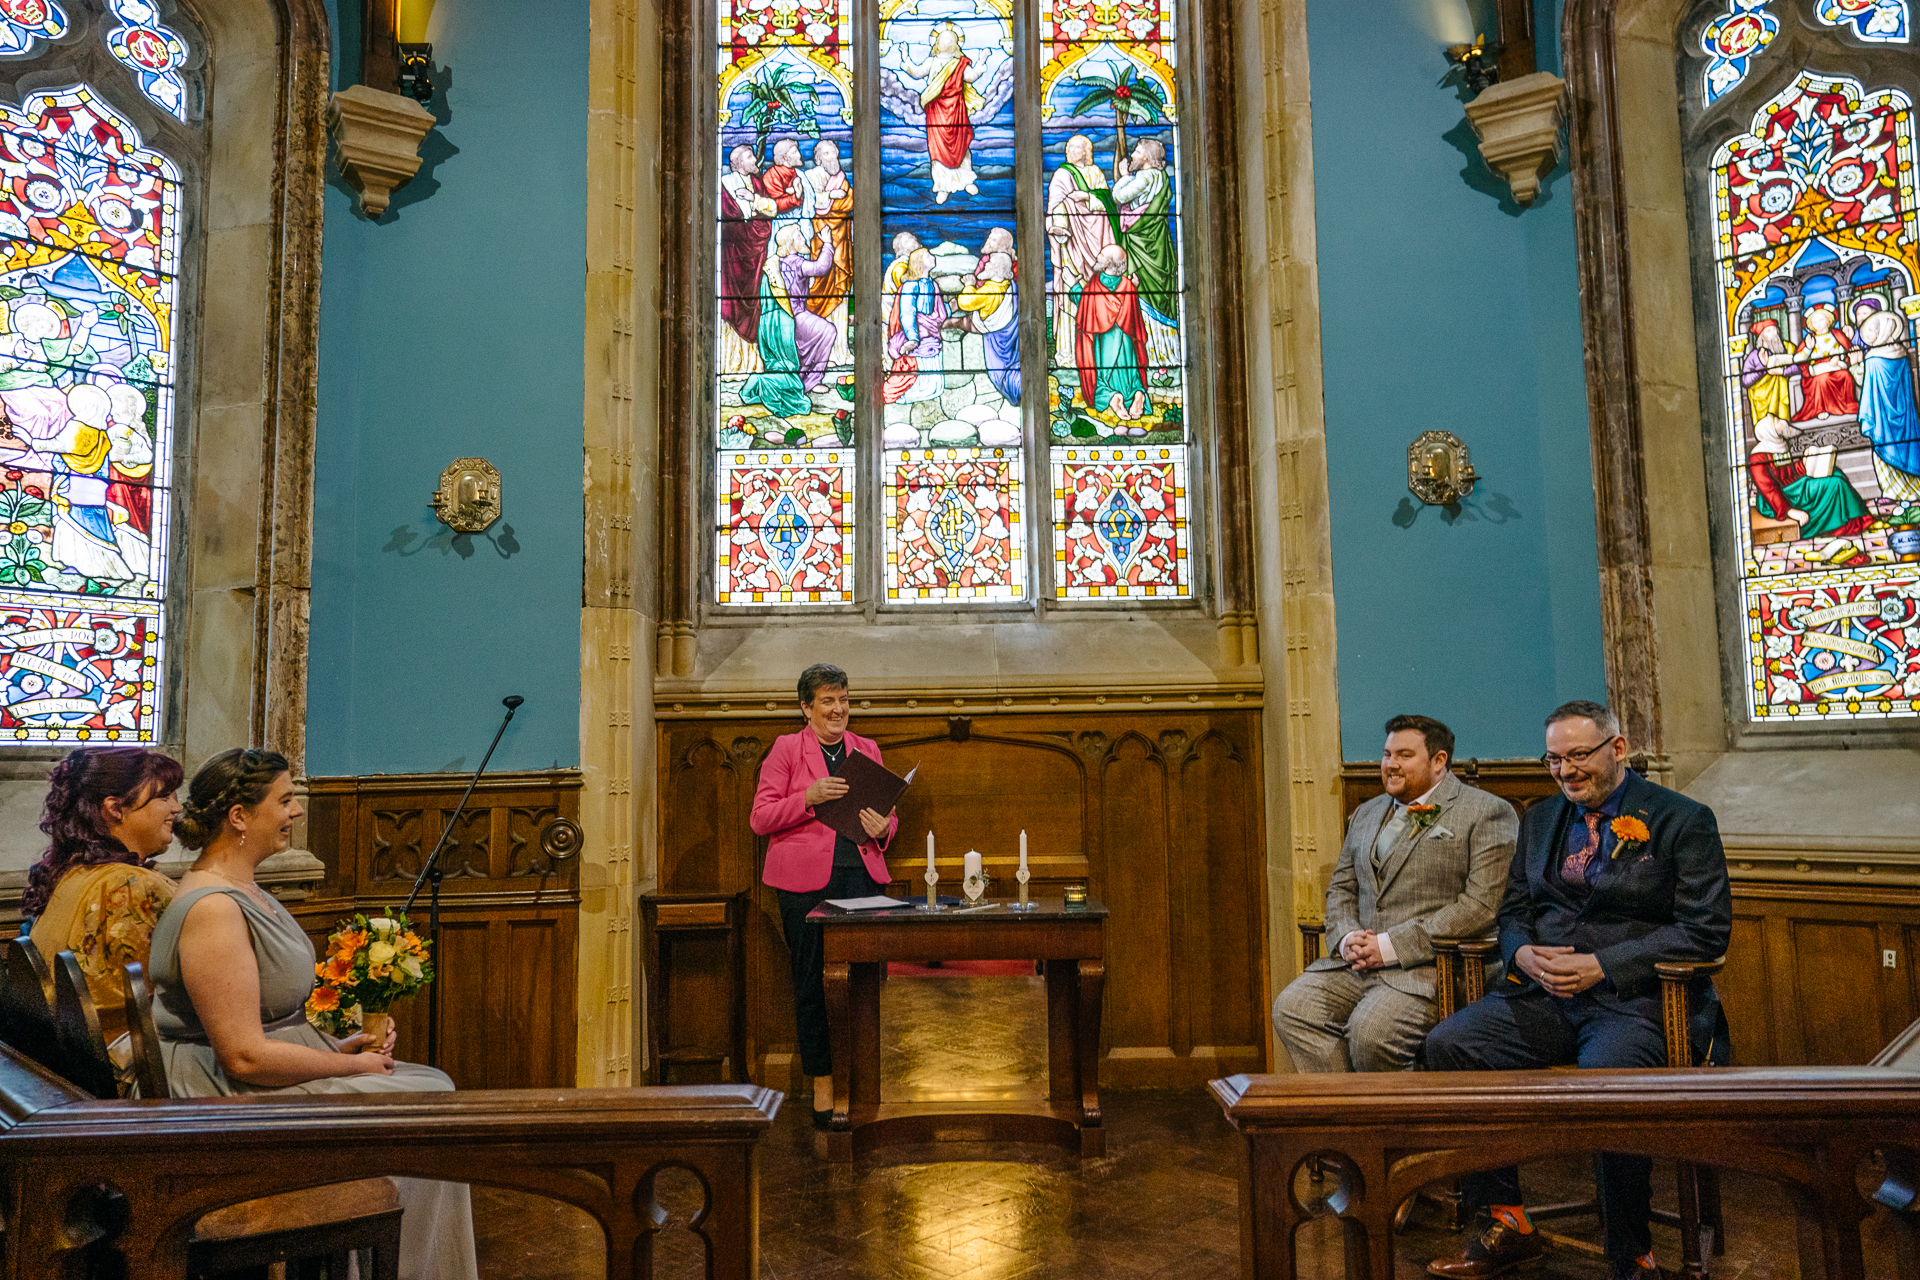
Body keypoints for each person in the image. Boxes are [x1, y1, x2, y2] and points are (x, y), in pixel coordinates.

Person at [1424, 701, 1731, 1280]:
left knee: (1609, 1079)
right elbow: (1513, 909)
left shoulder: (1681, 819)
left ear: (1617, 749)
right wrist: (1520, 952)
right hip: (1541, 997)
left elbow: (1705, 931)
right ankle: (1508, 1220)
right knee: (1450, 1046)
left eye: (1579, 755)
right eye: (1555, 759)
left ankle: (1631, 1255)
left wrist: (1604, 965)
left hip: (1637, 1005)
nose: (1566, 771)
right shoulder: (1540, 819)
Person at [149, 748, 478, 1280]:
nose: (296, 811)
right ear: (239, 816)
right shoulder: (212, 909)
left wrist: (339, 1047)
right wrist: (350, 1068)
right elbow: (244, 1056)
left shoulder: (244, 889)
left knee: (432, 1085)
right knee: (432, 1107)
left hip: (247, 1077)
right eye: (284, 800)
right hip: (221, 1097)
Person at [1272, 716, 1514, 1073]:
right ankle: (1342, 1114)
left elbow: (1479, 907)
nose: (1391, 765)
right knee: (1293, 1007)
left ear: (1438, 761)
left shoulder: (1486, 812)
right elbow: (1342, 886)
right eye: (1387, 754)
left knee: (1372, 1032)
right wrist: (1347, 937)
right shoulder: (1367, 813)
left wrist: (1389, 947)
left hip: (1433, 969)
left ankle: (1401, 1123)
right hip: (1356, 965)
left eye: (1404, 755)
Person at [750, 664, 899, 1129]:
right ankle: (823, 1084)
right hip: (805, 884)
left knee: (864, 983)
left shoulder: (866, 749)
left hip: (862, 877)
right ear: (806, 708)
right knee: (814, 983)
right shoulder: (786, 749)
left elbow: (887, 820)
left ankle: (862, 1083)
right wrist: (809, 797)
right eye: (828, 701)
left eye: (844, 700)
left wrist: (884, 827)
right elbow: (761, 817)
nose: (839, 710)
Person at [21, 746, 184, 1055]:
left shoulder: (72, 874)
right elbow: (180, 995)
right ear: (115, 807)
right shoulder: (129, 885)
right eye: (164, 797)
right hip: (130, 1066)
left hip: (73, 1064)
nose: (176, 808)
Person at [1047, 134, 1118, 365]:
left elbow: (1107, 201)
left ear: (1087, 152)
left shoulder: (1095, 172)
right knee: (1072, 286)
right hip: (1071, 243)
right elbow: (1054, 208)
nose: (1070, 150)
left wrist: (1087, 197)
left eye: (1076, 147)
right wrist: (1056, 228)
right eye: (1068, 146)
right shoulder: (1061, 175)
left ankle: (1106, 352)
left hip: (1099, 239)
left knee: (1100, 287)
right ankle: (1070, 354)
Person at [1111, 138, 1180, 367]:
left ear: (1147, 158)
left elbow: (1118, 197)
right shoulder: (1162, 178)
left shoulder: (1145, 177)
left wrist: (1123, 176)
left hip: (1142, 245)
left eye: (1137, 151)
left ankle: (1149, 357)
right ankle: (1164, 356)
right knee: (1156, 294)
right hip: (1158, 243)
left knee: (1141, 295)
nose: (1132, 155)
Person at [898, 22, 983, 203]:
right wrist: (905, 56)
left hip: (956, 108)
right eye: (940, 37)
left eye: (947, 38)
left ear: (954, 42)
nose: (943, 40)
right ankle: (942, 186)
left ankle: (966, 180)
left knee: (961, 144)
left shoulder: (959, 63)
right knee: (938, 149)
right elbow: (916, 72)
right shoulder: (932, 61)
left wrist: (982, 61)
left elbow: (970, 76)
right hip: (936, 109)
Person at [1747, 416, 1873, 538]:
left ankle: (1859, 518)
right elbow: (1768, 488)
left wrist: (1804, 463)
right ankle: (1842, 525)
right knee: (1834, 484)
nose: (1783, 422)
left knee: (1836, 473)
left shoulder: (1778, 445)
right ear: (1770, 430)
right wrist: (1789, 511)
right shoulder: (1757, 457)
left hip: (1794, 487)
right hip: (1778, 500)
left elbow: (1788, 471)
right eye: (1777, 421)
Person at [1074, 243, 1151, 422]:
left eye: (1101, 254)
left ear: (1108, 264)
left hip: (1104, 344)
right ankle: (1137, 392)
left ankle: (1111, 397)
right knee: (1131, 374)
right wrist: (1134, 287)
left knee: (1102, 377)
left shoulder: (1095, 286)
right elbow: (1133, 318)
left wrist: (1074, 286)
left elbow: (1085, 306)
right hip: (1126, 345)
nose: (1097, 255)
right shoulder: (1128, 286)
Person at [1856, 305, 1920, 503]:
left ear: (1882, 330)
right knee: (1907, 448)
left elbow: (1865, 386)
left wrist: (1855, 365)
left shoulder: (1873, 360)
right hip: (1906, 418)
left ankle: (1892, 494)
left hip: (1882, 419)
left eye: (1871, 331)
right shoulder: (1901, 355)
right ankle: (1914, 492)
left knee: (1884, 450)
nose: (1869, 336)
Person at [1789, 303, 1858, 422]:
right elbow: (1797, 359)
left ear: (1828, 320)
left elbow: (1845, 350)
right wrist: (1808, 348)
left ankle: (1843, 406)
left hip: (1836, 367)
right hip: (1817, 372)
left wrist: (1839, 357)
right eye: (1814, 322)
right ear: (1811, 325)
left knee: (1846, 376)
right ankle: (1821, 409)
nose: (1818, 324)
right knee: (1823, 379)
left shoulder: (1837, 335)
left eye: (1821, 319)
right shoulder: (1810, 339)